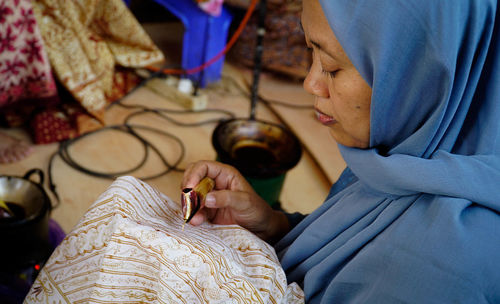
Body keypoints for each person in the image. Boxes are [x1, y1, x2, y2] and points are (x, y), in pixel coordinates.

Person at [182, 0, 500, 302]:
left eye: (332, 67)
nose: (310, 83)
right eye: (311, 51)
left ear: (422, 75)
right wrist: (275, 227)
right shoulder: (405, 160)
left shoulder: (446, 266)